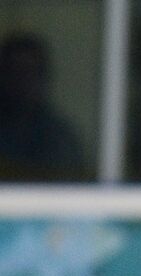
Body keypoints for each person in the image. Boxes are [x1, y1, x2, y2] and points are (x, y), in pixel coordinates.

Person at [0, 33, 85, 181]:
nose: (21, 82)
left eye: (29, 72)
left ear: (43, 78)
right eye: (14, 71)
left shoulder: (59, 137)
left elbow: (68, 188)